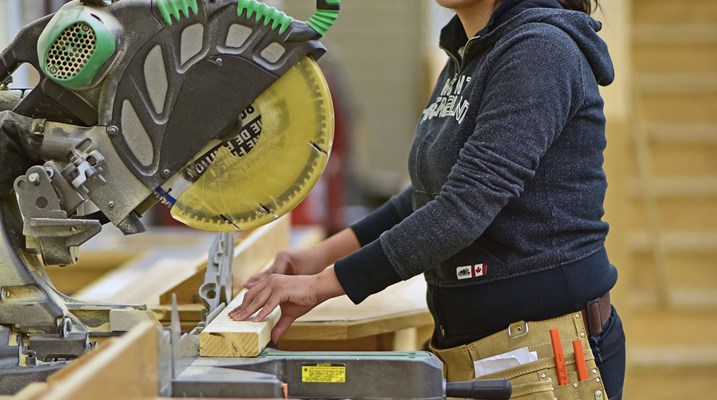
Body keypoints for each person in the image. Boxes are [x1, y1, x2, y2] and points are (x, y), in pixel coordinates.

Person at [230, 0, 626, 398]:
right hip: (481, 348)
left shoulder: (540, 50)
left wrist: (321, 287)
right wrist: (319, 257)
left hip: (541, 356)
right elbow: (427, 194)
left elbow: (463, 207)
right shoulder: (467, 54)